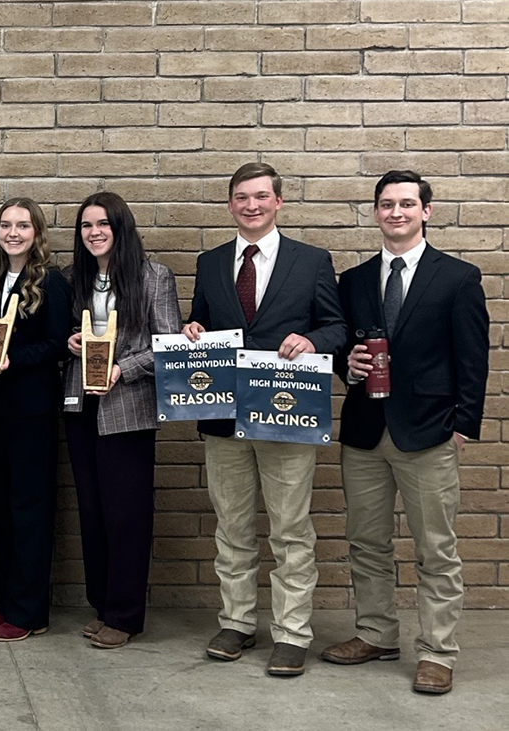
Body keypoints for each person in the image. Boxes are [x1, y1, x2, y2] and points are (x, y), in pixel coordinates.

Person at [321, 171, 488, 695]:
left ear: (426, 211)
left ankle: (437, 651)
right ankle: (376, 634)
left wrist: (463, 426)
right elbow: (340, 349)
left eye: (407, 204)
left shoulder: (458, 278)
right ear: (375, 212)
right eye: (387, 204)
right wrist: (346, 366)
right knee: (366, 541)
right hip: (365, 432)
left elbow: (474, 358)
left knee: (435, 548)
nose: (396, 212)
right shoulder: (353, 281)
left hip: (430, 433)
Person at [183, 162, 346, 677]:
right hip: (223, 415)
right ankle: (237, 622)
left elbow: (337, 327)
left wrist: (313, 341)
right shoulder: (210, 262)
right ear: (230, 204)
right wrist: (193, 330)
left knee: (290, 530)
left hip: (286, 416)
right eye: (241, 197)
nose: (250, 205)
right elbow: (202, 321)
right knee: (232, 526)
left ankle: (292, 633)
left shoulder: (311, 261)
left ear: (279, 201)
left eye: (260, 197)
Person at [62, 192, 181, 649]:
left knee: (126, 515)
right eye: (86, 225)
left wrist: (122, 369)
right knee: (92, 512)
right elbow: (63, 333)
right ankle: (102, 605)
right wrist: (71, 343)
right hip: (80, 405)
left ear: (121, 228)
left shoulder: (154, 277)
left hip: (128, 409)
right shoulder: (73, 277)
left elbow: (167, 345)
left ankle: (126, 614)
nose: (94, 233)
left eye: (103, 224)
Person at [0, 198, 72, 642]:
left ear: (36, 233)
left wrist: (13, 359)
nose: (13, 233)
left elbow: (58, 344)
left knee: (29, 509)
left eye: (23, 225)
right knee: (1, 509)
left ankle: (29, 613)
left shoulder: (51, 281)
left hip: (32, 411)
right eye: (6, 225)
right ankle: (6, 604)